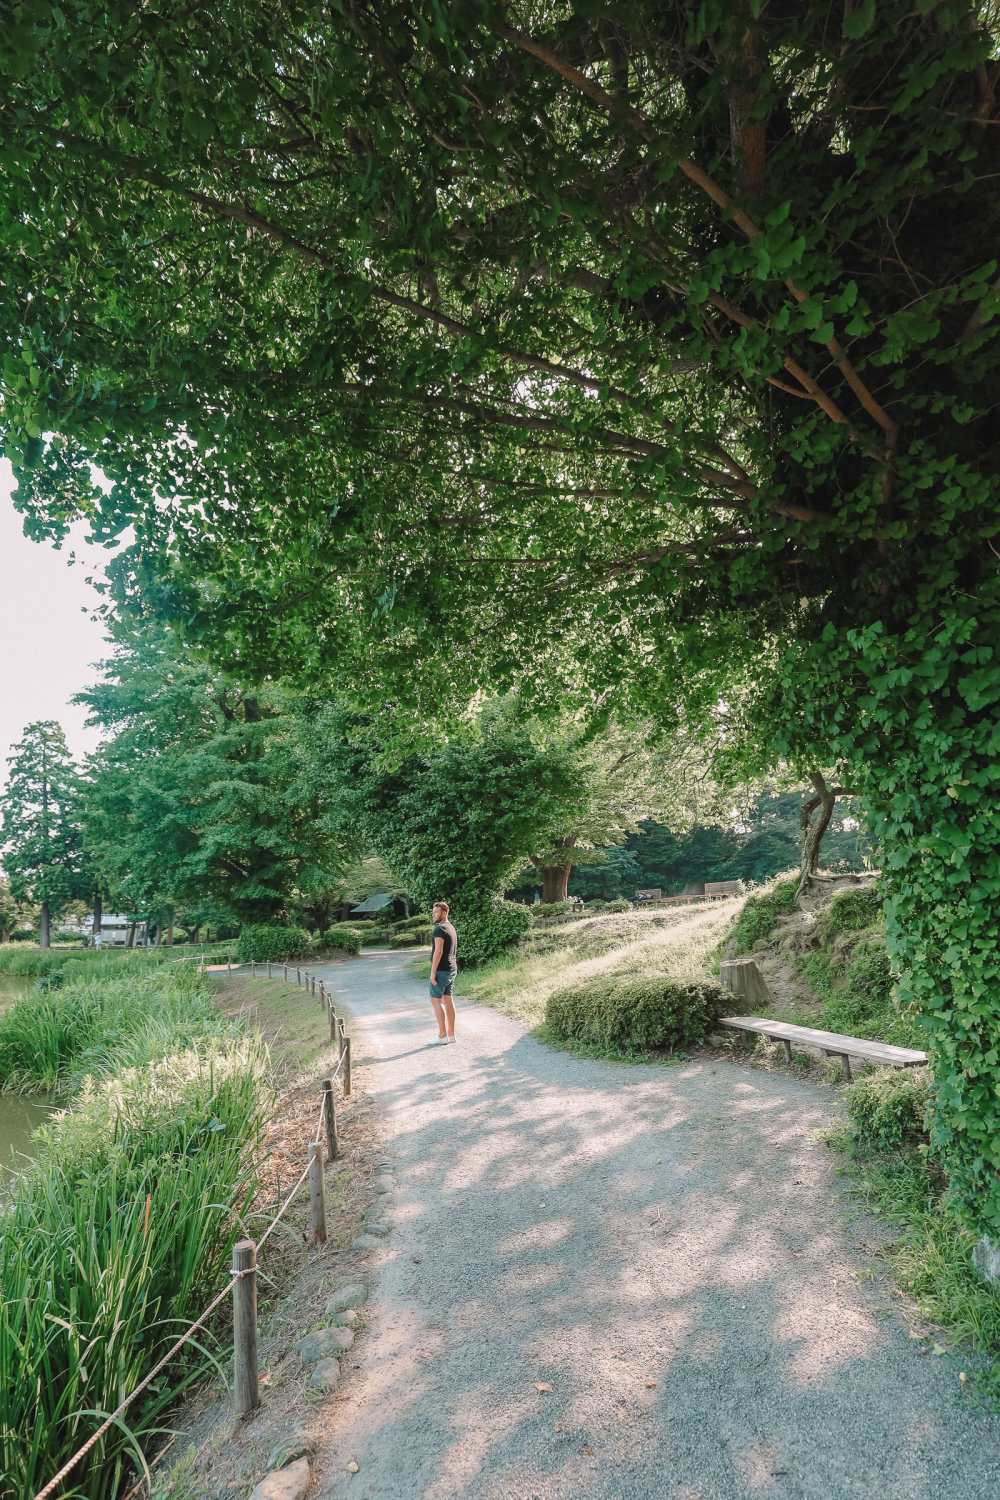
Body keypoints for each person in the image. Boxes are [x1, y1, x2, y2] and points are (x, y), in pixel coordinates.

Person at [429, 900, 459, 1042]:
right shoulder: (451, 927)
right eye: (433, 912)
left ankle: (442, 1035)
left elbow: (438, 951)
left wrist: (432, 973)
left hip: (441, 970)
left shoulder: (439, 929)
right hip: (451, 968)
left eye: (437, 912)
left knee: (435, 1001)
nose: (434, 915)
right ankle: (451, 1035)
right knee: (448, 1000)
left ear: (444, 912)